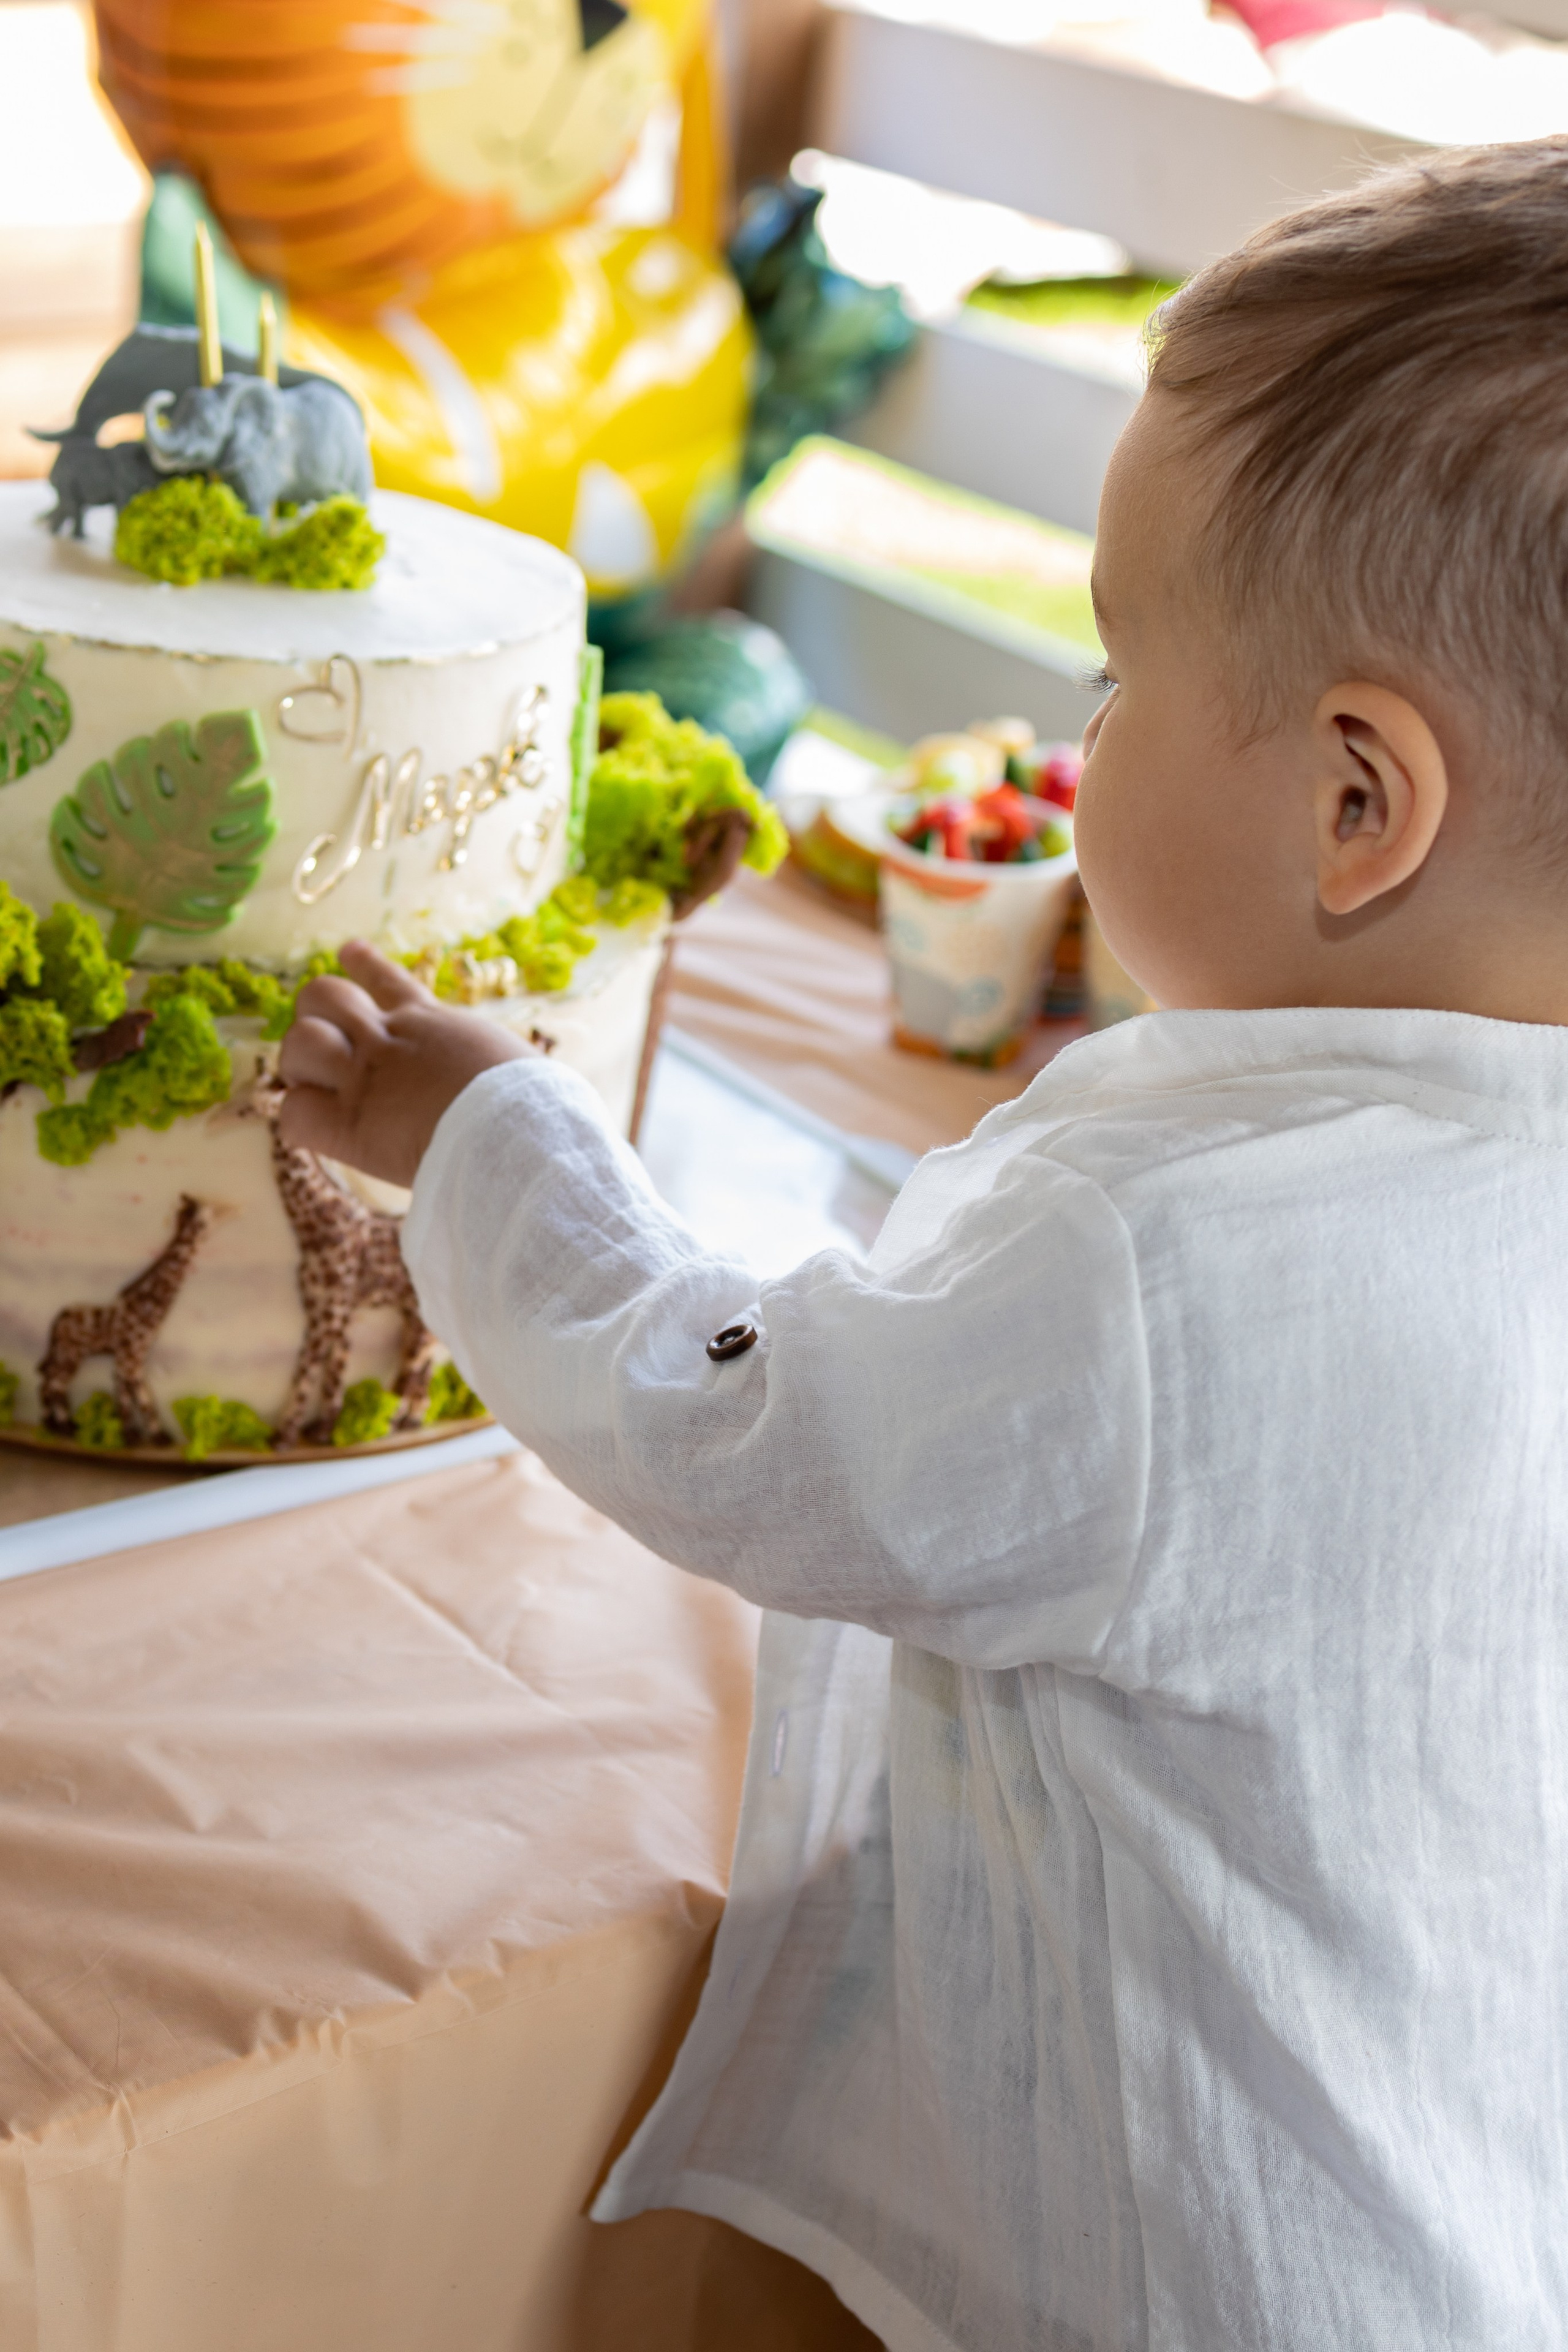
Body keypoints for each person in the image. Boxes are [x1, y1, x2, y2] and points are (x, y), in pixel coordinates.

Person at [277, 138, 1568, 2352]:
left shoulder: (1167, 1271)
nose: (1084, 735)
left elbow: (742, 1430)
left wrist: (492, 1131)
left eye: (1112, 676)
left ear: (1359, 806)